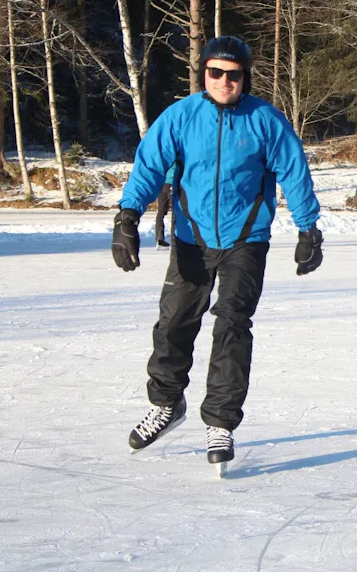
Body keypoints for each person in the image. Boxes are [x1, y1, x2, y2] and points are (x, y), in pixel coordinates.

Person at [111, 35, 324, 472]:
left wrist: (308, 229)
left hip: (246, 239)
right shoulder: (181, 117)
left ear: (245, 78)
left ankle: (221, 422)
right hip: (192, 237)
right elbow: (149, 165)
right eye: (216, 73)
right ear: (203, 73)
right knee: (173, 323)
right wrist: (127, 218)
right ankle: (167, 404)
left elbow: (294, 172)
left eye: (234, 75)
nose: (225, 81)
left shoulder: (266, 120)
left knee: (232, 324)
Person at [154, 164, 176, 248]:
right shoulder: (177, 155)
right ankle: (175, 239)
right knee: (176, 211)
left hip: (162, 183)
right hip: (172, 183)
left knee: (161, 211)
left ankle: (159, 238)